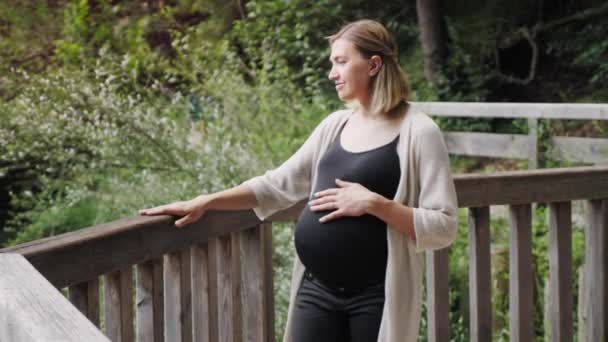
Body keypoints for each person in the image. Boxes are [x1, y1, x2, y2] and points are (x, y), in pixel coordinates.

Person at [139, 19, 458, 342]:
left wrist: (374, 204)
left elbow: (444, 225)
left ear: (374, 64)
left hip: (376, 297)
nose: (332, 73)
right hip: (316, 290)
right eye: (332, 62)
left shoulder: (419, 132)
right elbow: (277, 183)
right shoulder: (335, 125)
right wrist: (206, 201)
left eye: (341, 62)